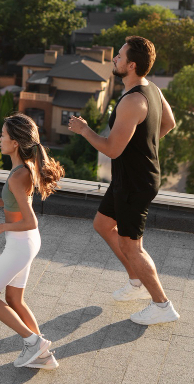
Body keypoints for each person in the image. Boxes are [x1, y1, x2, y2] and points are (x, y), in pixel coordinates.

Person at [67, 36, 179, 325]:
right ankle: (135, 282)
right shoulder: (150, 88)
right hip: (130, 177)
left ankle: (162, 305)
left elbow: (112, 149)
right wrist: (143, 148)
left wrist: (84, 130)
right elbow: (168, 123)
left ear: (131, 65)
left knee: (133, 246)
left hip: (135, 183)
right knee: (103, 225)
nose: (114, 59)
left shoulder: (133, 101)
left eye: (119, 56)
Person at [0, 113, 64, 368]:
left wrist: (2, 226)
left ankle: (33, 342)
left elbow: (31, 219)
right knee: (14, 299)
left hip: (21, 242)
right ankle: (42, 354)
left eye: (3, 135)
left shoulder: (17, 174)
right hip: (26, 242)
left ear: (14, 143)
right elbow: (15, 201)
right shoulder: (24, 169)